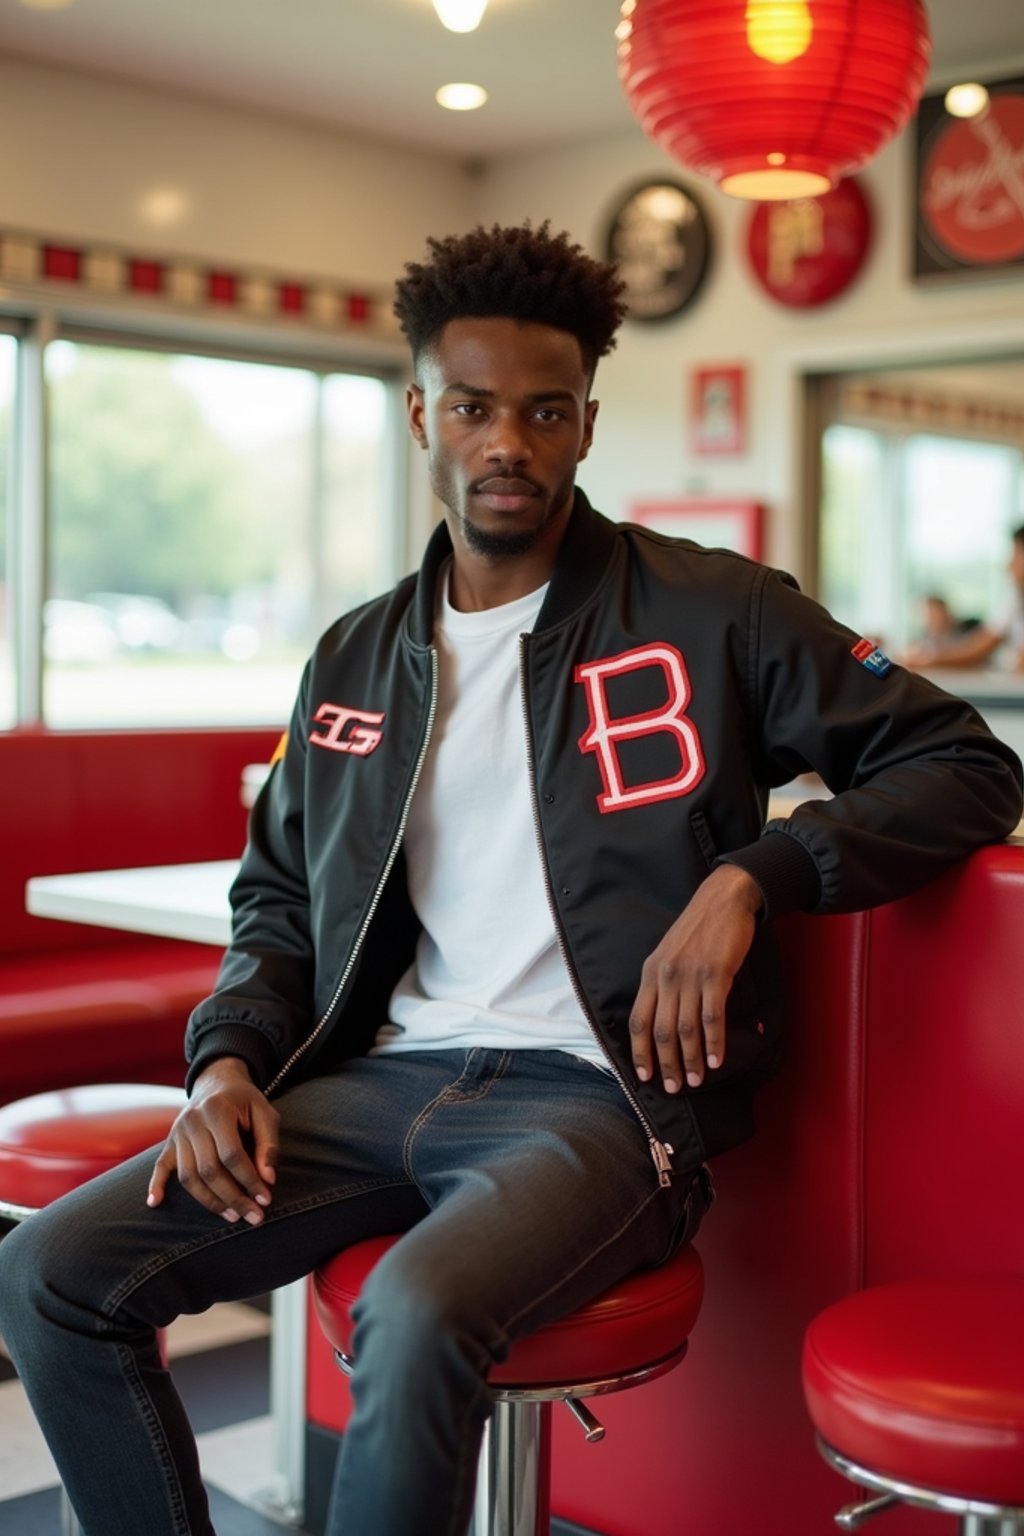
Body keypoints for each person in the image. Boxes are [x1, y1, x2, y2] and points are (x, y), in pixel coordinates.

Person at [0, 223, 1021, 1536]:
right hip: (374, 1088)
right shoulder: (357, 658)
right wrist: (225, 1065)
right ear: (423, 409)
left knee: (415, 1310)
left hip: (596, 1107)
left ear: (586, 423)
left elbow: (963, 762)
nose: (508, 444)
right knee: (49, 1273)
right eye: (474, 408)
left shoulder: (715, 611)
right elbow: (277, 900)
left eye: (545, 412)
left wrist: (757, 873)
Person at [904, 526, 1024, 672]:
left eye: (1016, 554)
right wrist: (929, 660)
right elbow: (980, 645)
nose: (1009, 564)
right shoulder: (1016, 600)